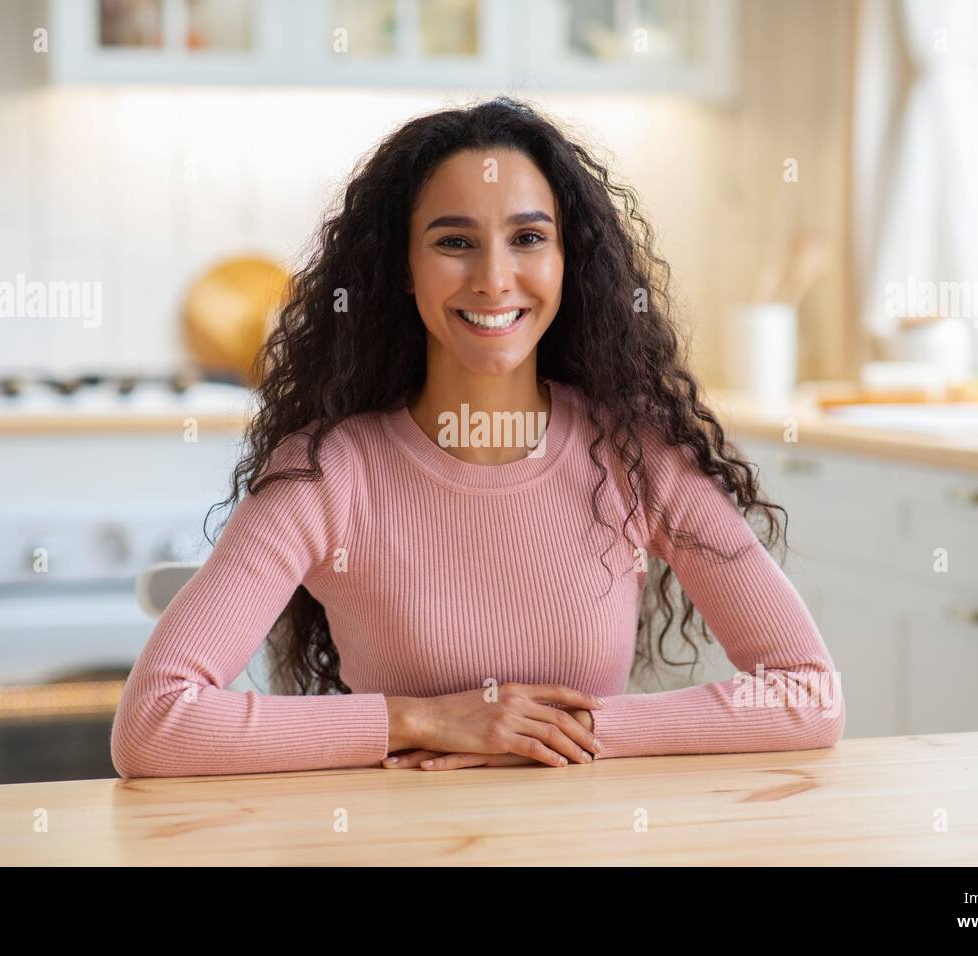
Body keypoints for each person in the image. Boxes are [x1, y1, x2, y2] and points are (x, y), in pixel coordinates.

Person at [110, 96, 845, 777]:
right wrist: (426, 721)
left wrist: (560, 733)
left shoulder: (636, 457)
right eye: (455, 241)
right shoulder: (328, 475)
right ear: (403, 267)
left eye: (528, 237)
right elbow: (153, 721)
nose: (495, 279)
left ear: (567, 262)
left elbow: (808, 693)